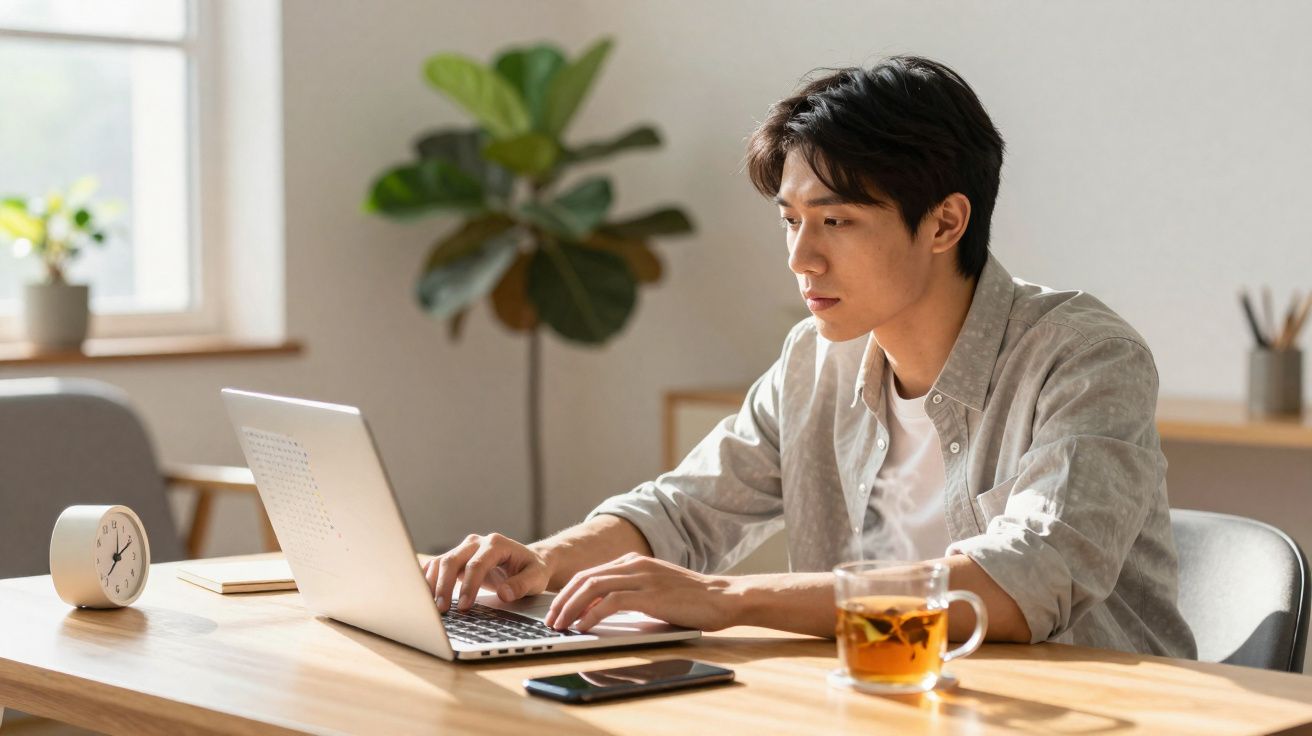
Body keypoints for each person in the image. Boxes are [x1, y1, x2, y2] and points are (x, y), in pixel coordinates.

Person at [424, 55, 1196, 658]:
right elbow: (684, 510)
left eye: (838, 222)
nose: (802, 258)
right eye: (790, 220)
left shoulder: (1084, 355)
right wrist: (541, 562)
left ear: (945, 223)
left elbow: (1026, 579)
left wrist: (728, 601)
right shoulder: (815, 359)